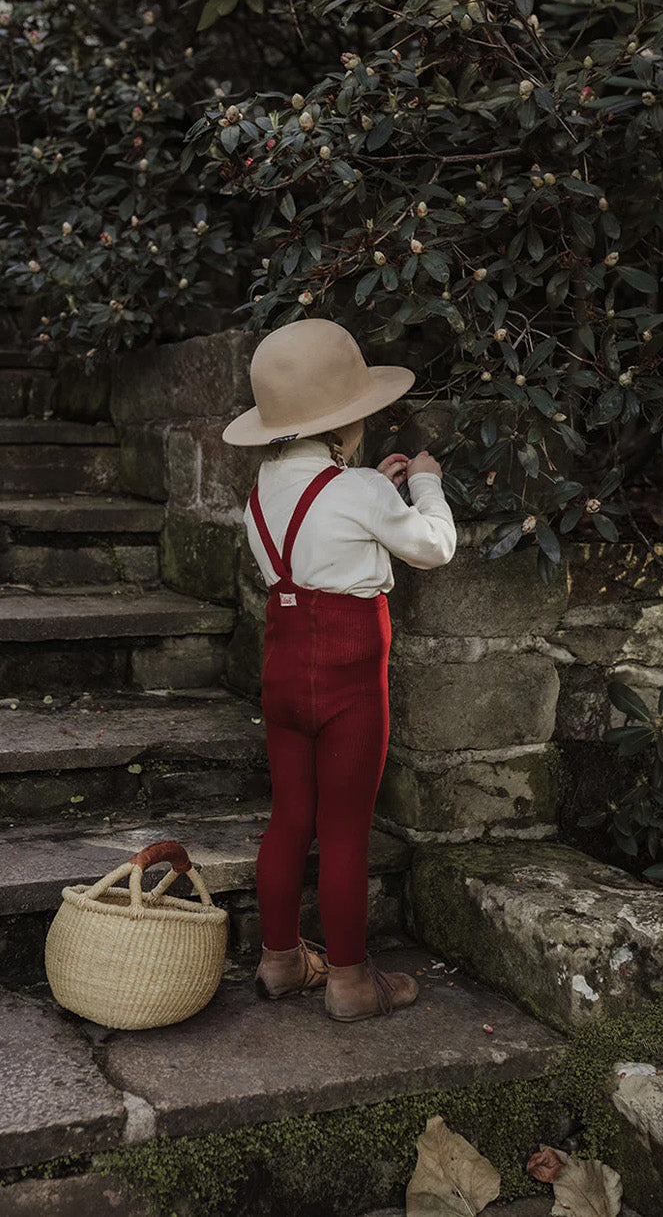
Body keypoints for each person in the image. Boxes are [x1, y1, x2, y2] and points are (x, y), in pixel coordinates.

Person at [222, 319, 457, 1022]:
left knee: (289, 817)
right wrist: (424, 486)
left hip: (284, 669)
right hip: (349, 671)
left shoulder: (261, 493)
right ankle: (351, 983)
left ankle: (280, 961)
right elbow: (434, 547)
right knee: (346, 827)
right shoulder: (359, 490)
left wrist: (371, 489)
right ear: (346, 424)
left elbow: (322, 527)